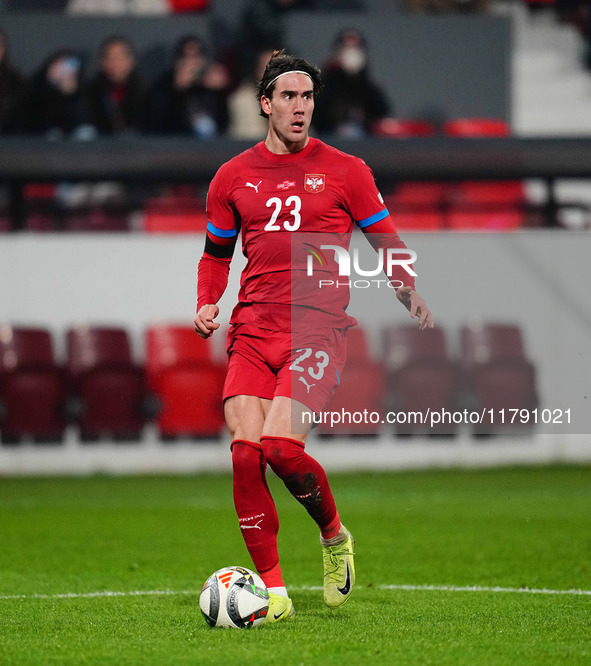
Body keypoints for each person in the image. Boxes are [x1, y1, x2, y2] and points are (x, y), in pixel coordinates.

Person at [194, 50, 433, 623]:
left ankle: (333, 536)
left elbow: (386, 239)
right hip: (252, 329)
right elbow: (215, 255)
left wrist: (407, 286)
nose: (300, 108)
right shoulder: (232, 176)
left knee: (280, 447)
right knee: (245, 457)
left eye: (307, 98)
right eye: (289, 97)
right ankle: (275, 596)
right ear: (265, 105)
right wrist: (208, 301)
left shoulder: (349, 170)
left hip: (316, 330)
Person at [313, 28, 392, 138]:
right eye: (346, 48)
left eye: (355, 49)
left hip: (365, 145)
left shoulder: (367, 86)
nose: (351, 53)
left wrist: (357, 77)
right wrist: (334, 73)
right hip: (330, 142)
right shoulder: (326, 83)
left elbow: (382, 112)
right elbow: (317, 113)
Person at [149, 34, 230, 137]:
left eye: (196, 57)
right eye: (186, 58)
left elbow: (226, 124)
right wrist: (176, 90)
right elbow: (156, 123)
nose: (192, 63)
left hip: (214, 147)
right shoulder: (164, 85)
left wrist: (222, 91)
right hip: (176, 145)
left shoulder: (212, 85)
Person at [88, 35, 147, 135]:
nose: (114, 63)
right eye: (109, 58)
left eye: (119, 58)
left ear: (131, 61)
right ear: (102, 62)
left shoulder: (145, 90)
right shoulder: (92, 90)